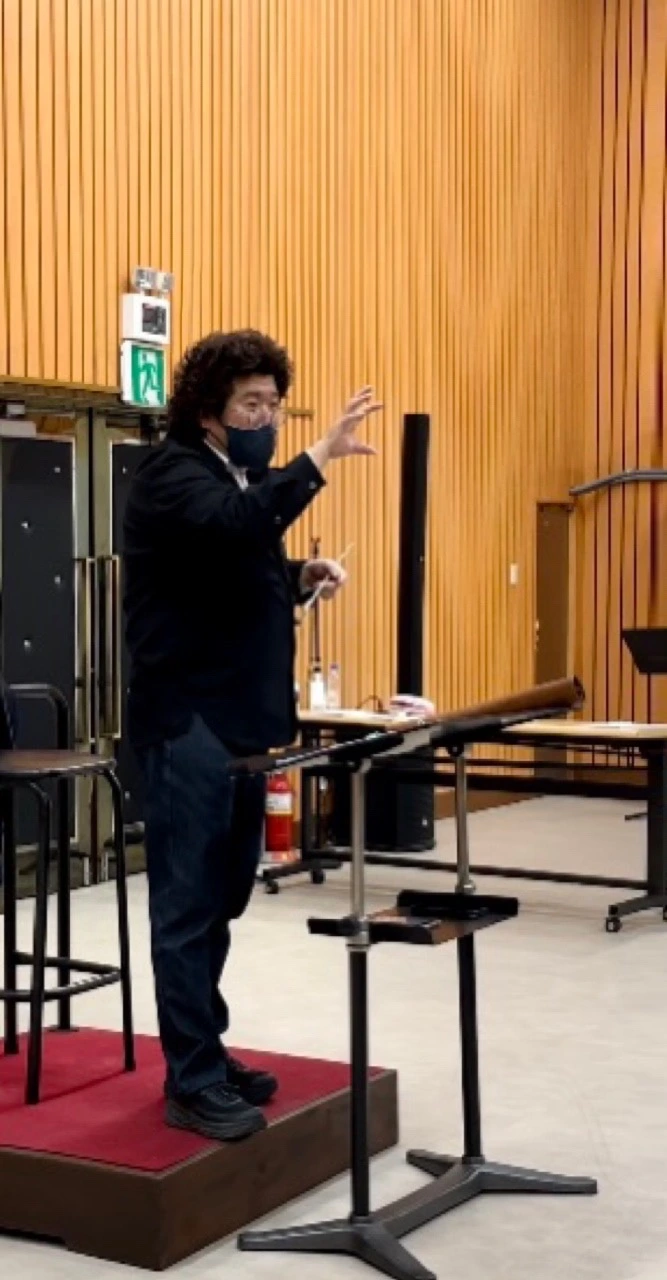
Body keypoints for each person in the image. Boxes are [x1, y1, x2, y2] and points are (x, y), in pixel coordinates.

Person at [123, 329, 380, 1141]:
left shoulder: (234, 478)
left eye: (273, 403)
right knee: (186, 904)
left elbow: (235, 564)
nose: (265, 417)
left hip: (238, 719)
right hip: (186, 721)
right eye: (250, 404)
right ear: (208, 411)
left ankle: (205, 1048)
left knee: (225, 896)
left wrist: (299, 576)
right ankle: (191, 1080)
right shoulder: (171, 474)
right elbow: (231, 527)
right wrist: (317, 456)